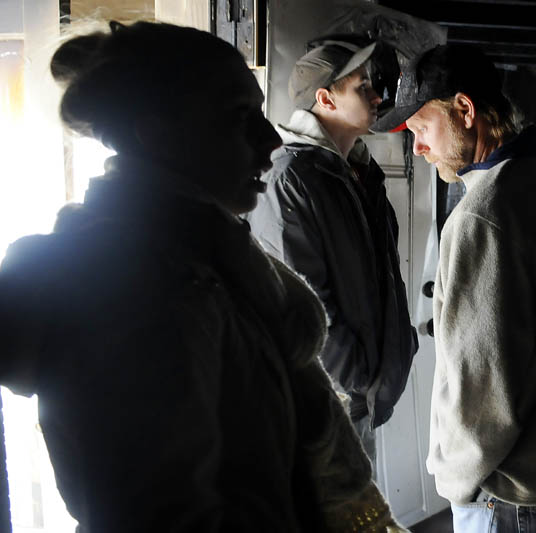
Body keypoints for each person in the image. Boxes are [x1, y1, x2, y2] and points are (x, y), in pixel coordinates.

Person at [0, 21, 404, 533]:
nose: (269, 140)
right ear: (157, 130)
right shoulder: (137, 291)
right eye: (240, 117)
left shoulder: (210, 258)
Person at [372, 44, 536, 533]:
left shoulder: (483, 214)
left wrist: (456, 484)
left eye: (420, 127)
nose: (416, 148)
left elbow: (480, 390)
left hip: (514, 493)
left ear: (465, 109)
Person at [248, 38, 419, 463]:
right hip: (328, 403)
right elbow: (301, 302)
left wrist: (395, 350)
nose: (378, 96)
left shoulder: (358, 171)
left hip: (357, 398)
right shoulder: (291, 178)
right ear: (325, 98)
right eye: (363, 87)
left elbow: (382, 277)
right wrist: (356, 377)